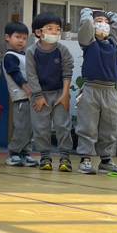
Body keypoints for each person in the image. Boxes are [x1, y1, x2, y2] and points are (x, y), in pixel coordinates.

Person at [76, 8, 117, 175]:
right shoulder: (88, 41)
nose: (104, 24)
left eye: (106, 22)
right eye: (99, 21)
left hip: (110, 90)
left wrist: (107, 13)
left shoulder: (112, 41)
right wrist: (88, 12)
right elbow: (85, 23)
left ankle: (106, 161)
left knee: (110, 125)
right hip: (91, 88)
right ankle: (85, 159)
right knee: (87, 125)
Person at [26, 13, 74, 172]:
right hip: (40, 95)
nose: (55, 32)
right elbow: (31, 75)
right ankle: (45, 156)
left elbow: (67, 71)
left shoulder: (62, 50)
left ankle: (65, 157)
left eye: (57, 29)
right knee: (41, 127)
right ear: (38, 32)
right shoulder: (31, 51)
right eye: (50, 28)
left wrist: (65, 95)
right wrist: (38, 96)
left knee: (63, 125)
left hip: (60, 93)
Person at [2, 20, 38, 167]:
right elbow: (16, 76)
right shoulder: (10, 56)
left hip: (31, 97)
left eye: (24, 38)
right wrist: (29, 91)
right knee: (22, 127)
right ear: (7, 37)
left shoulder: (25, 55)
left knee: (31, 128)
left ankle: (25, 152)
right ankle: (13, 153)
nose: (21, 41)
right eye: (17, 37)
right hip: (21, 97)